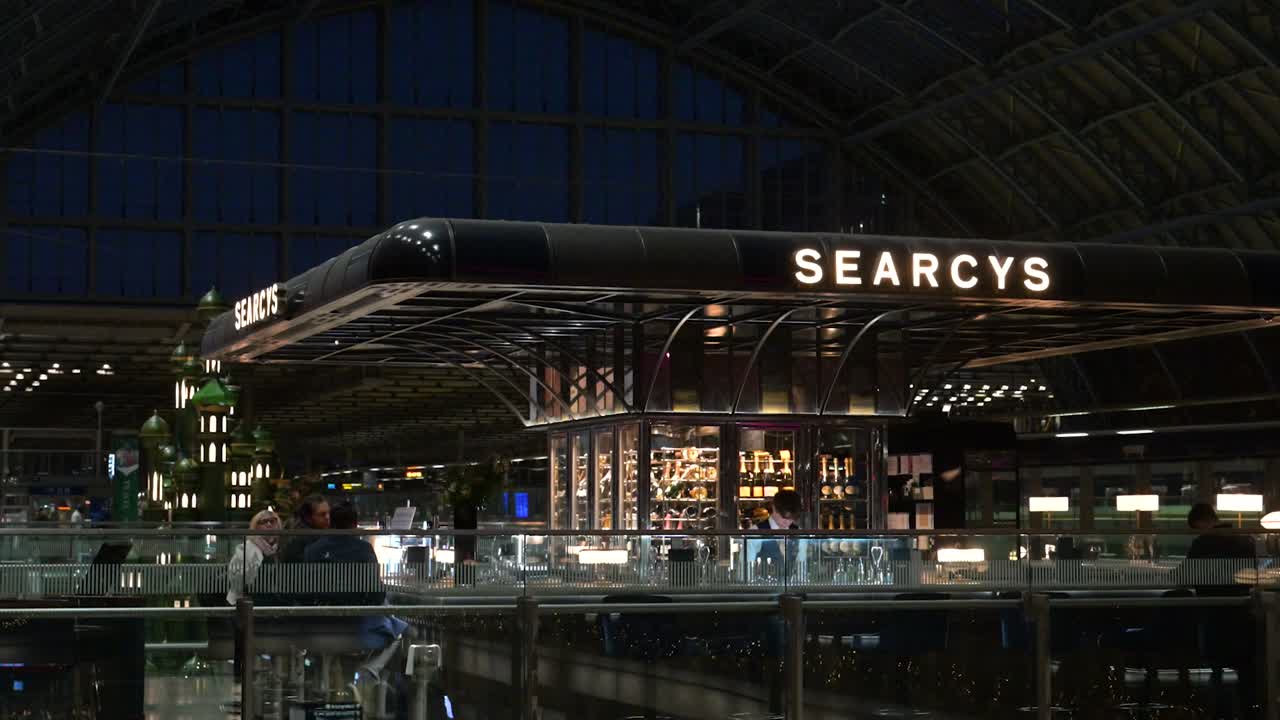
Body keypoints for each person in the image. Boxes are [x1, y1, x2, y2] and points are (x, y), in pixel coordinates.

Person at [304, 502, 407, 645]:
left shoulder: (312, 550)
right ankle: (371, 668)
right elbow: (375, 593)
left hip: (320, 622)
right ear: (355, 524)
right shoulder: (363, 549)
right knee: (399, 631)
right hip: (357, 622)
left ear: (331, 522)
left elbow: (308, 589)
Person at [226, 509, 281, 606]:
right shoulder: (246, 548)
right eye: (263, 522)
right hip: (248, 600)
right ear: (256, 526)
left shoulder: (279, 547)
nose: (269, 524)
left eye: (272, 521)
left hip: (272, 598)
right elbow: (237, 580)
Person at [749, 490, 804, 578]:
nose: (787, 522)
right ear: (774, 508)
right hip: (763, 588)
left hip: (791, 589)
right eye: (784, 517)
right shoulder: (756, 532)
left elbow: (802, 565)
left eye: (791, 518)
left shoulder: (798, 532)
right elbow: (746, 567)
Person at [279, 494, 331, 564]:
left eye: (329, 513)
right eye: (322, 514)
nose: (327, 517)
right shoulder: (298, 539)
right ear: (308, 517)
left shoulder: (320, 533)